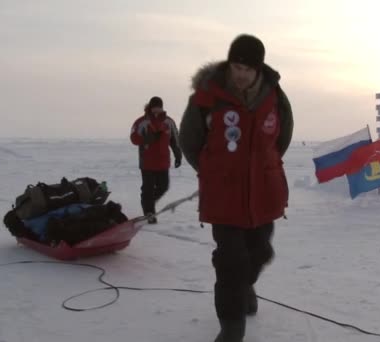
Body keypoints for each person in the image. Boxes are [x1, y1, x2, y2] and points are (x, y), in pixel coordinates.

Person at [178, 34, 293, 342]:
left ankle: (245, 287)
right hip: (223, 195)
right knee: (230, 261)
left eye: (248, 68)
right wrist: (214, 172)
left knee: (260, 250)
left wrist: (262, 168)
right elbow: (189, 141)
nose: (241, 74)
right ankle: (231, 328)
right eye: (236, 66)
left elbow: (281, 139)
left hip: (264, 193)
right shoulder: (207, 98)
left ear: (258, 70)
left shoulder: (274, 97)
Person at [130, 96, 182, 224]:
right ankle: (149, 213)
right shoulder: (142, 122)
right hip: (147, 162)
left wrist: (178, 154)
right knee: (148, 188)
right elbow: (133, 138)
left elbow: (175, 139)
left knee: (163, 187)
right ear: (150, 107)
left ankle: (147, 203)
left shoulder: (169, 122)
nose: (156, 110)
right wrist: (146, 139)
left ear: (162, 107)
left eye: (159, 107)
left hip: (163, 162)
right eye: (154, 107)